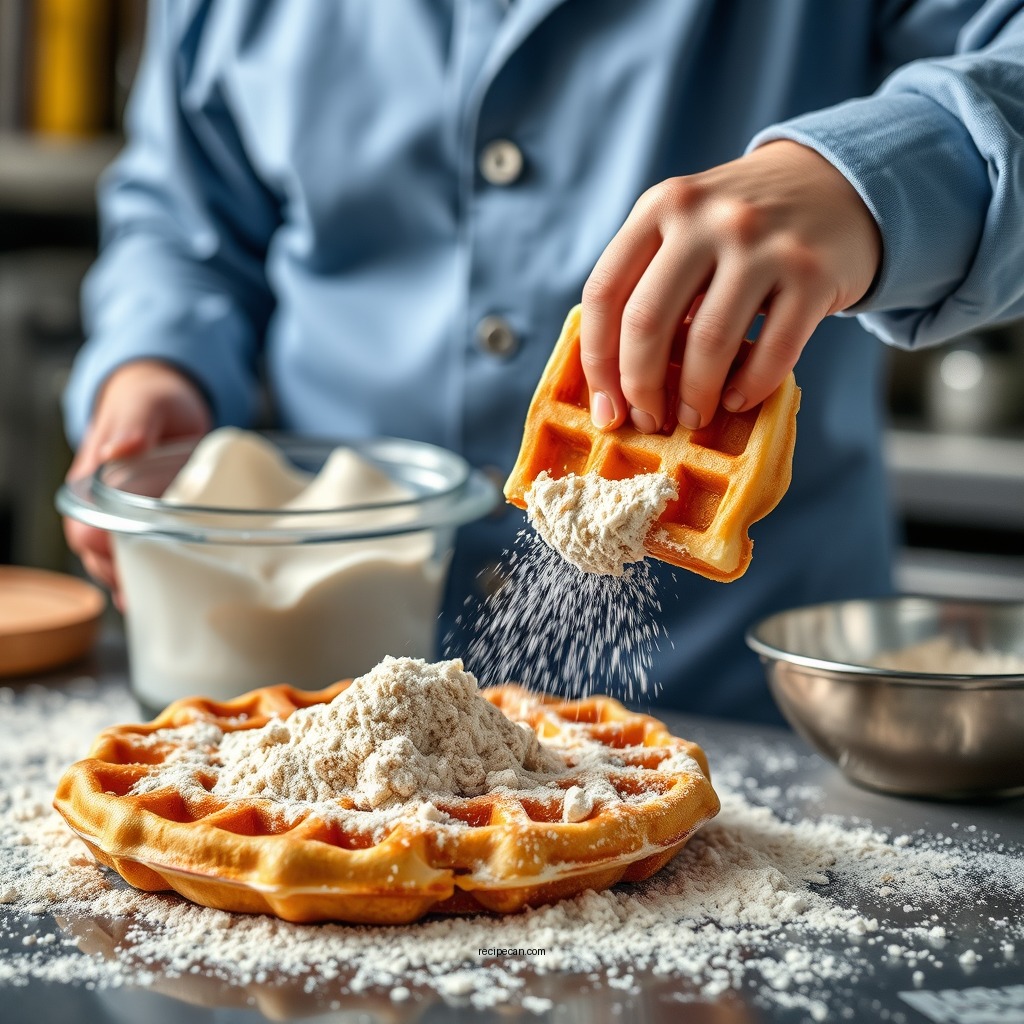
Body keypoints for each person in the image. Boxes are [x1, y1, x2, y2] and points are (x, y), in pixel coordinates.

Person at [63, 0, 1024, 723]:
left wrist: (867, 177)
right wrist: (157, 365)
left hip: (751, 711)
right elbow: (183, 210)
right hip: (317, 699)